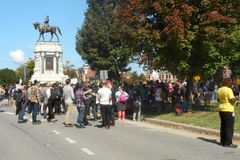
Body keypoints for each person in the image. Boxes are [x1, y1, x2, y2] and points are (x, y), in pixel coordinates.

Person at [217, 78, 239, 148]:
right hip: (228, 110)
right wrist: (237, 97)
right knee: (229, 127)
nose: (231, 84)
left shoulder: (219, 89)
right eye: (231, 82)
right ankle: (228, 143)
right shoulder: (229, 90)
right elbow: (232, 100)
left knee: (223, 126)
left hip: (221, 109)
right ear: (227, 83)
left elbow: (218, 99)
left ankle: (222, 141)